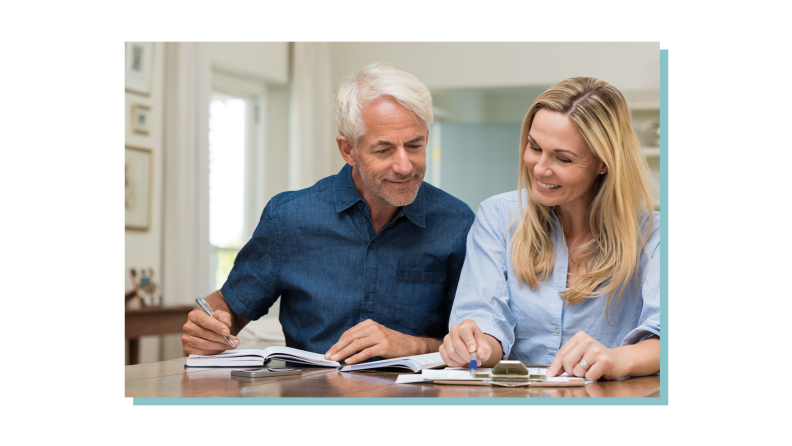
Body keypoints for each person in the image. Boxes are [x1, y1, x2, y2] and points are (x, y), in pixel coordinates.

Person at [182, 63, 475, 365]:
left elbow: (474, 344)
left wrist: (408, 345)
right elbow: (229, 310)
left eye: (414, 145)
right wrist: (207, 330)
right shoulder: (288, 218)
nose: (404, 166)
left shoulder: (456, 223)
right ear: (348, 150)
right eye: (384, 150)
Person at [439, 77, 660, 381]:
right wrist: (474, 346)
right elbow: (486, 320)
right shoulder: (498, 216)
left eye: (563, 158)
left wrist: (616, 358)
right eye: (534, 147)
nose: (540, 168)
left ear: (604, 163)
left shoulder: (655, 236)